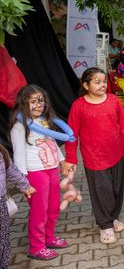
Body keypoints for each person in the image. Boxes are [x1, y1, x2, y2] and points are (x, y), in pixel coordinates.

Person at [63, 67, 124, 244]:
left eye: (104, 81)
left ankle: (113, 217)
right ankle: (105, 226)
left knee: (117, 189)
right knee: (102, 192)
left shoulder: (114, 100)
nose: (102, 85)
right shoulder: (78, 106)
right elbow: (72, 135)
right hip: (94, 158)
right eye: (97, 82)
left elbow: (123, 126)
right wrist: (71, 157)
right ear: (86, 85)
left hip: (116, 154)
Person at [10, 85, 67, 260]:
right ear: (23, 104)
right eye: (33, 101)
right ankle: (36, 247)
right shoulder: (19, 128)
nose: (38, 104)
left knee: (53, 208)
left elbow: (51, 143)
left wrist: (62, 160)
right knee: (39, 212)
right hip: (35, 175)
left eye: (41, 100)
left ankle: (49, 238)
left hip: (51, 171)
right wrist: (23, 183)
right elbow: (18, 156)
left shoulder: (44, 122)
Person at [1, 144, 35, 266]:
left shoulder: (1, 152)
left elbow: (10, 169)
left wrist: (25, 185)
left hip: (1, 204)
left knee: (3, 240)